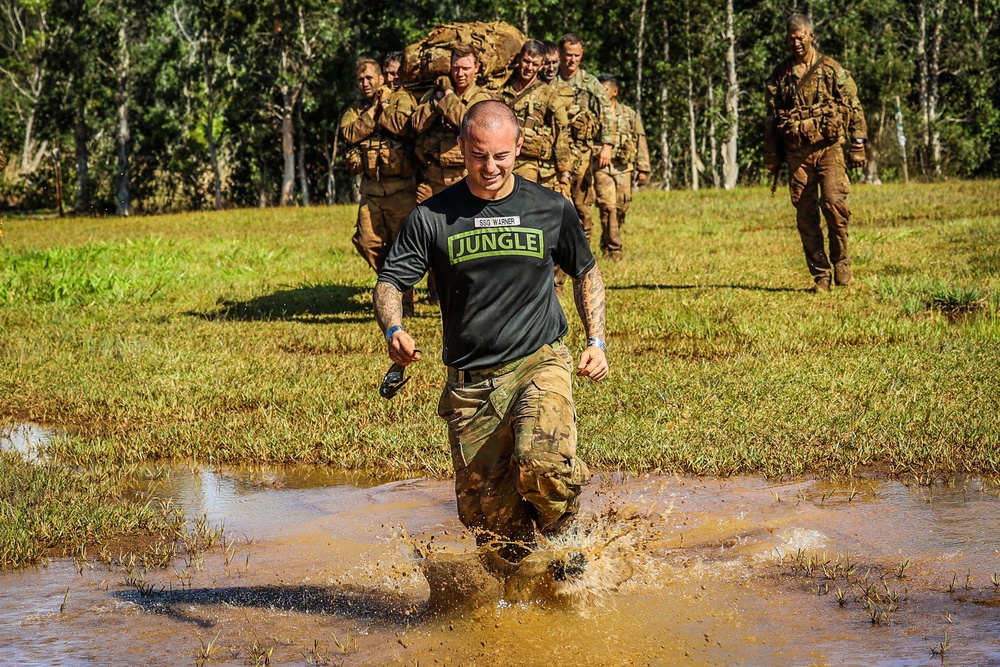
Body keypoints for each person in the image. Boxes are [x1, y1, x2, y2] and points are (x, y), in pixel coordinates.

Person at [373, 100, 609, 568]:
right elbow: (390, 282)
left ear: (518, 147)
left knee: (542, 464)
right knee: (497, 536)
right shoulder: (433, 216)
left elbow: (586, 271)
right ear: (462, 147)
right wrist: (393, 328)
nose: (490, 167)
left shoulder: (548, 207)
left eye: (501, 156)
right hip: (471, 383)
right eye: (479, 155)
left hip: (537, 361)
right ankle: (527, 574)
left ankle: (568, 537)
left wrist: (595, 341)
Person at [764, 13, 867, 292]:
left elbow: (853, 104)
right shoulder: (780, 74)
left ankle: (841, 260)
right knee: (806, 216)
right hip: (798, 154)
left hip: (829, 150)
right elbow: (772, 118)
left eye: (800, 37)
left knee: (834, 205)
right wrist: (772, 156)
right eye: (791, 38)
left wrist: (858, 144)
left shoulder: (831, 69)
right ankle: (821, 274)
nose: (796, 42)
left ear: (811, 36)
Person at [339, 58, 419, 312]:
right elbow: (349, 133)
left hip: (401, 188)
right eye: (361, 80)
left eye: (370, 78)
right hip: (371, 189)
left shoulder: (401, 99)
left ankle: (404, 302)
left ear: (381, 79)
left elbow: (405, 129)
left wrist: (383, 106)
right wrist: (373, 112)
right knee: (366, 241)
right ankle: (390, 280)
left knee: (402, 245)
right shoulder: (357, 108)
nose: (365, 83)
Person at [411, 43, 496, 204]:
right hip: (433, 178)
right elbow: (416, 124)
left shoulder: (483, 98)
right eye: (456, 68)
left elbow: (467, 123)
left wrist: (448, 96)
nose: (460, 73)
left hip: (465, 177)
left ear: (476, 68)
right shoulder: (437, 93)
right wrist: (436, 100)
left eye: (466, 68)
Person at [556, 34, 615, 244]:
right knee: (556, 200)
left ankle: (583, 249)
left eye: (576, 55)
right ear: (560, 54)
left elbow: (606, 113)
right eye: (568, 55)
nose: (572, 60)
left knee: (581, 203)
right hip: (555, 151)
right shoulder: (549, 80)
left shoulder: (591, 84)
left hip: (582, 151)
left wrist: (607, 145)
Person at [498, 40, 573, 197]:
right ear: (519, 59)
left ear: (541, 66)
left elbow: (561, 131)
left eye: (534, 64)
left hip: (528, 161)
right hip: (500, 158)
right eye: (526, 61)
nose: (529, 68)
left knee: (523, 202)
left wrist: (565, 172)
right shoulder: (501, 88)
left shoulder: (548, 94)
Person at [594, 74, 650, 260]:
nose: (601, 93)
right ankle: (614, 248)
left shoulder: (629, 114)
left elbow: (640, 139)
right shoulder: (594, 114)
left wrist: (643, 168)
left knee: (621, 206)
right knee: (607, 206)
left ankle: (608, 237)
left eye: (605, 90)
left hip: (624, 167)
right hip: (602, 166)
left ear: (615, 91)